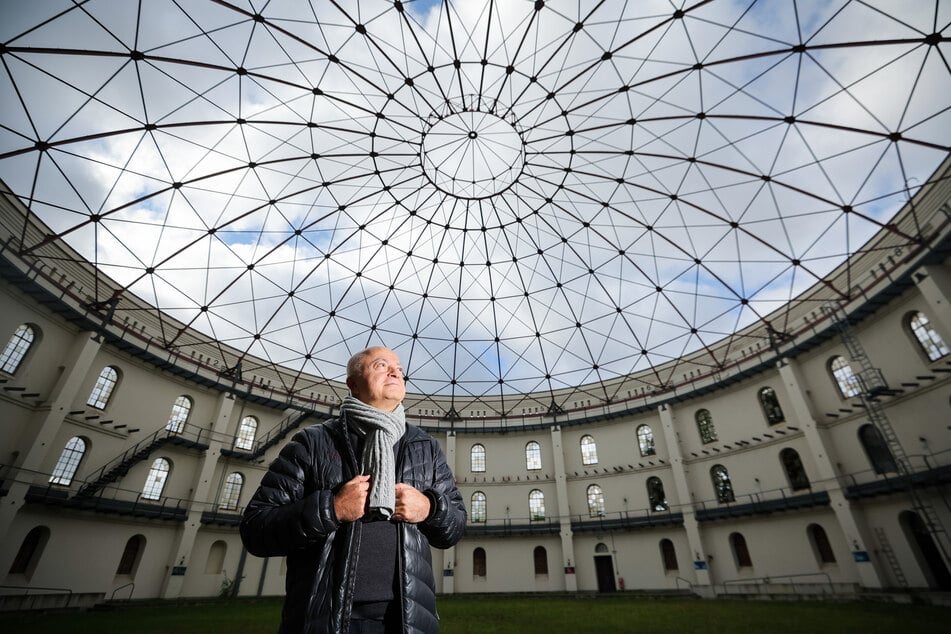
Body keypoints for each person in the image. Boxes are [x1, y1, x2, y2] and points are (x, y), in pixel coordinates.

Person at [240, 346, 466, 633]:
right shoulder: (313, 443)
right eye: (381, 365)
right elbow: (256, 529)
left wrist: (430, 508)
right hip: (326, 620)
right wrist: (331, 509)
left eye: (398, 367)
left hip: (405, 620)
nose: (396, 371)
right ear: (353, 384)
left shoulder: (425, 448)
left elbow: (455, 526)